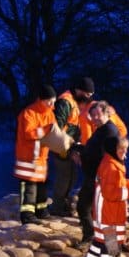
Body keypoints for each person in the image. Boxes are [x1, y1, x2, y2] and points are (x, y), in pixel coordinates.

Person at [81, 136, 129, 257]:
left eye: (126, 149)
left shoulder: (110, 163)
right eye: (121, 149)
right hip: (109, 213)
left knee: (100, 241)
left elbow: (117, 184)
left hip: (103, 211)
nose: (124, 152)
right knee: (109, 245)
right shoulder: (111, 167)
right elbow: (111, 193)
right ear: (113, 149)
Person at [71, 100, 119, 244]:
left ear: (106, 113)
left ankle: (106, 243)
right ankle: (93, 237)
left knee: (95, 210)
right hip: (93, 175)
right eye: (92, 116)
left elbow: (105, 156)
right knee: (85, 207)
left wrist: (83, 156)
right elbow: (91, 149)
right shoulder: (101, 129)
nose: (95, 118)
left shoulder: (110, 131)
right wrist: (77, 149)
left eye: (98, 114)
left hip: (101, 178)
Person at [49, 77, 93, 216]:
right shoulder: (65, 102)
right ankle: (57, 207)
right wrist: (68, 147)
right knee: (64, 176)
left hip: (71, 144)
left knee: (72, 176)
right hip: (62, 145)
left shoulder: (75, 101)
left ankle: (64, 204)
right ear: (79, 90)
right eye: (87, 94)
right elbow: (58, 128)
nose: (89, 97)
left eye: (91, 95)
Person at [14, 84, 57, 224]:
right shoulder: (28, 113)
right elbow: (29, 134)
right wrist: (47, 130)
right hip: (27, 157)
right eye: (49, 101)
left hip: (41, 156)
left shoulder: (50, 113)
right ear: (42, 99)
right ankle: (27, 215)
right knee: (29, 187)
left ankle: (41, 211)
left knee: (41, 185)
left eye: (54, 101)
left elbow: (54, 132)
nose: (52, 105)